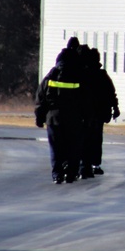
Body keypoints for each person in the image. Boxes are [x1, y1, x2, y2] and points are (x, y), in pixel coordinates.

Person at [35, 42, 85, 184]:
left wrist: (39, 117)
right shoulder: (79, 76)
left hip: (54, 118)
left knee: (56, 147)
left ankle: (57, 173)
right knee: (73, 147)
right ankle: (71, 173)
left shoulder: (51, 76)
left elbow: (41, 97)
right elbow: (86, 99)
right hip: (74, 119)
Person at [80, 47, 120, 178]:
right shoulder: (102, 75)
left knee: (85, 138)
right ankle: (95, 164)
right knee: (96, 139)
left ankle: (84, 163)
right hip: (99, 113)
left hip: (85, 112)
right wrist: (115, 108)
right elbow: (111, 93)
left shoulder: (82, 74)